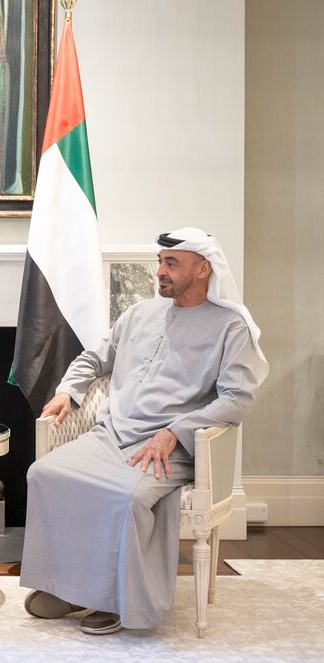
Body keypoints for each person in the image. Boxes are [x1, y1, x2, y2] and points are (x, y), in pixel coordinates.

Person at [20, 227, 269, 635]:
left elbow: (238, 398)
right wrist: (69, 390)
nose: (160, 271)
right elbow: (93, 359)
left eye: (171, 263)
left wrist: (175, 431)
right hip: (112, 434)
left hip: (170, 448)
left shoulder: (231, 327)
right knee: (43, 473)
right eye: (159, 262)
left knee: (129, 496)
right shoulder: (139, 314)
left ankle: (118, 600)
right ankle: (70, 590)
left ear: (203, 268)